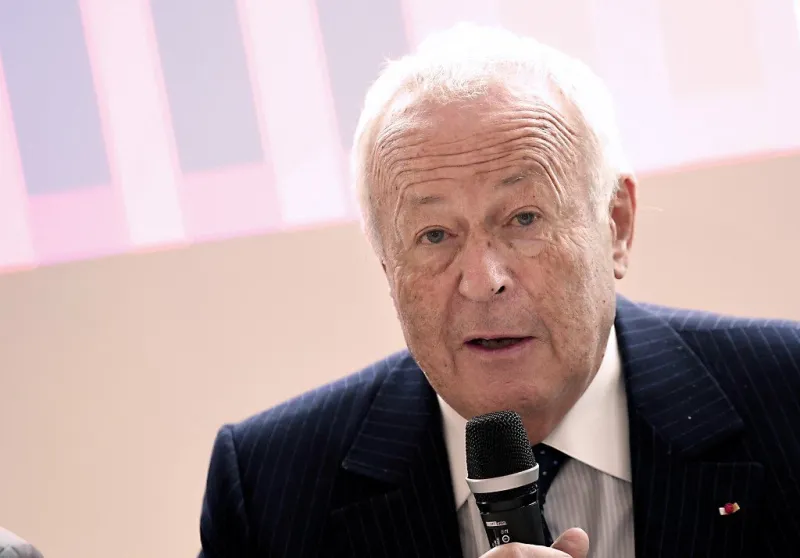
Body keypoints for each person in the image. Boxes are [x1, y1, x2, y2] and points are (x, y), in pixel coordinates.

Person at [198, 23, 800, 558]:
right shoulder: (270, 489)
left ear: (615, 224)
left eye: (523, 219)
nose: (485, 281)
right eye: (434, 235)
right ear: (387, 267)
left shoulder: (787, 397)